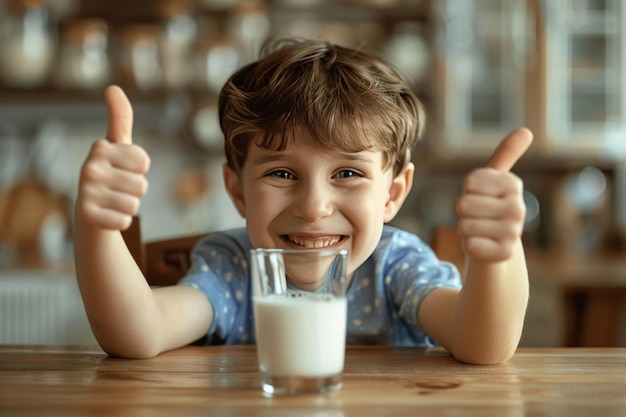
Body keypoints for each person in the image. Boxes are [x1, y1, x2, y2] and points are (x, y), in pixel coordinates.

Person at [74, 38, 532, 364]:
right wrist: (96, 228)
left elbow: (483, 346)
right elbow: (140, 332)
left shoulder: (397, 266)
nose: (314, 207)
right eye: (282, 173)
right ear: (238, 192)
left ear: (392, 194)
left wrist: (499, 256)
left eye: (348, 173)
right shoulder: (231, 267)